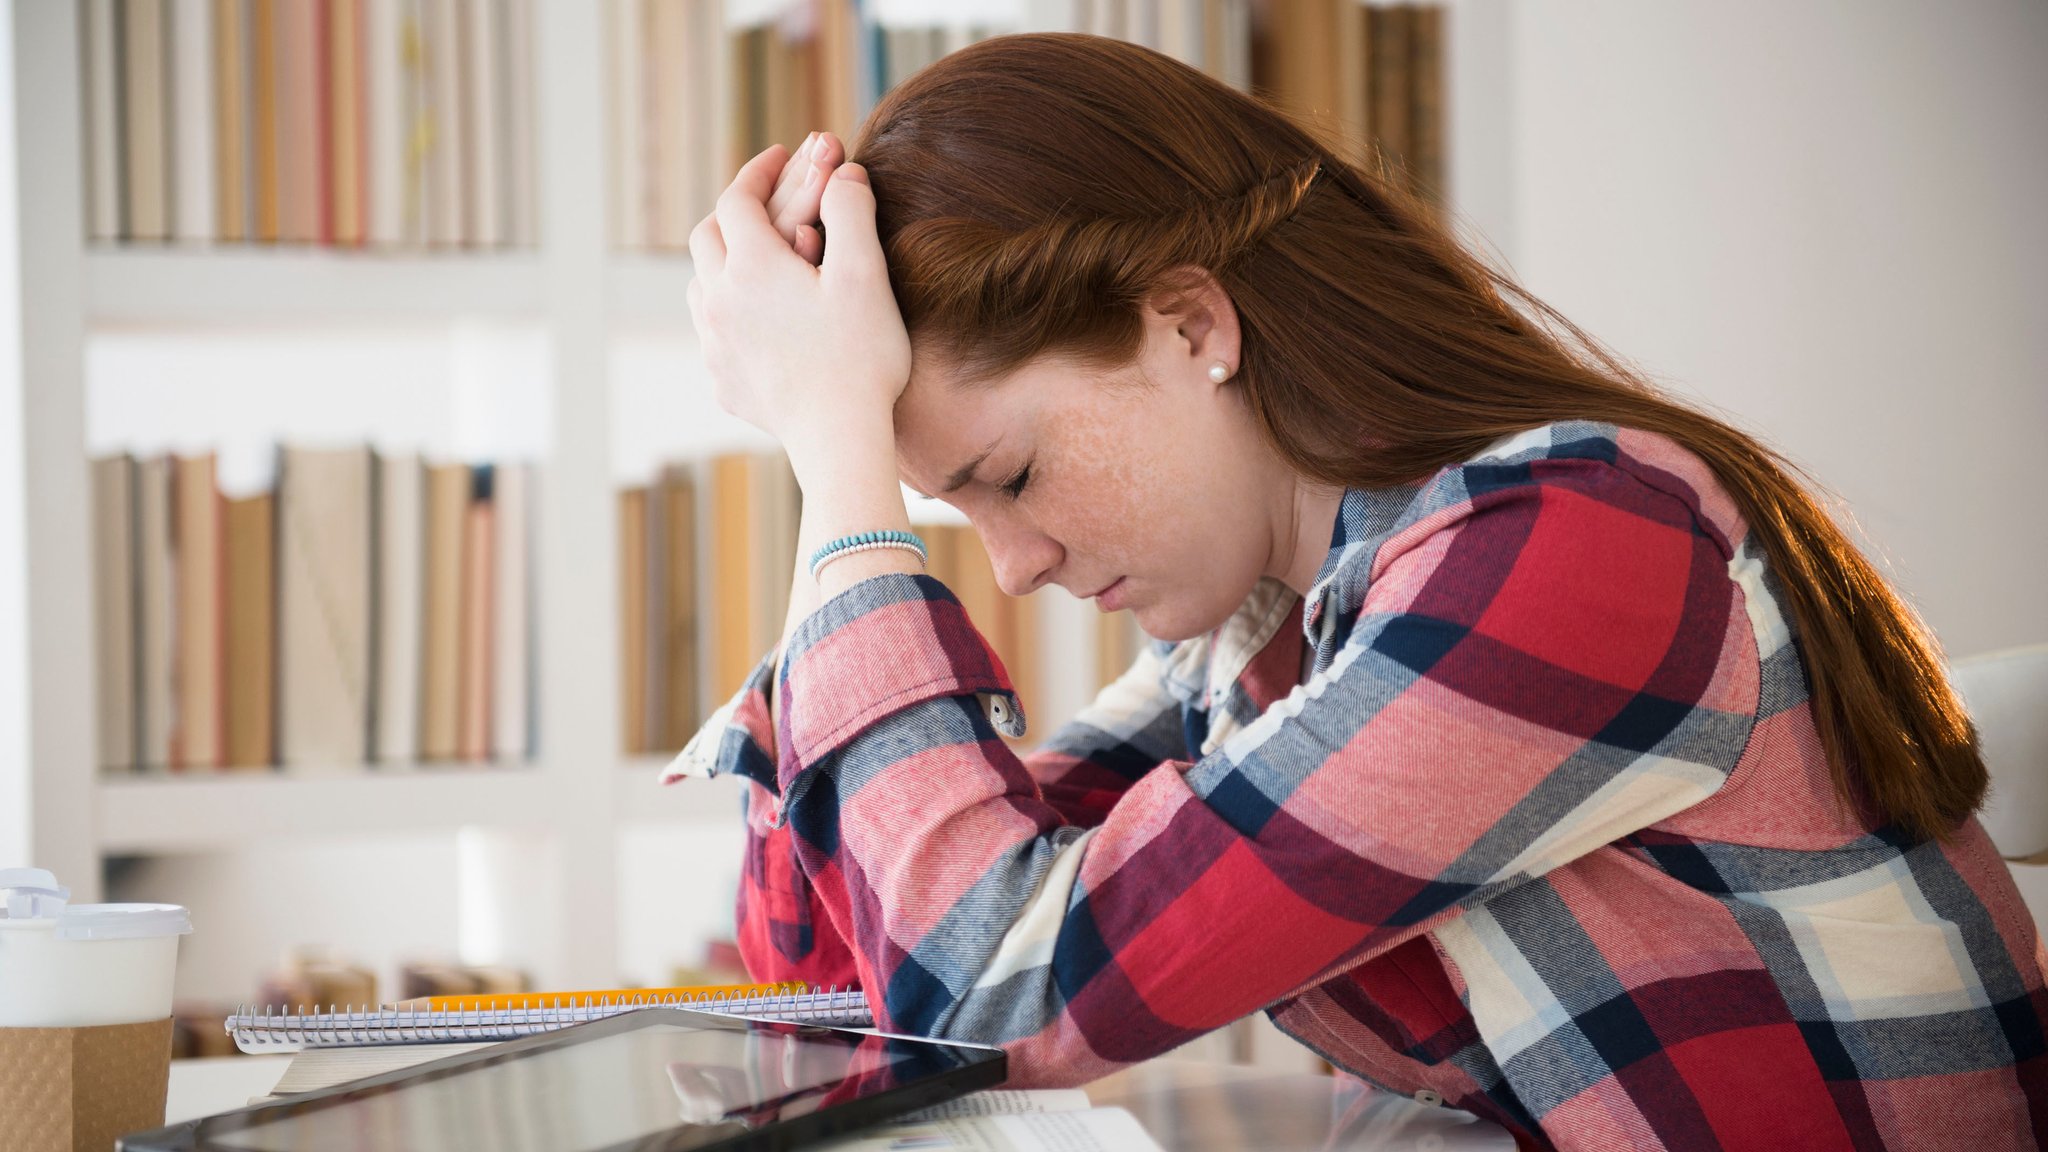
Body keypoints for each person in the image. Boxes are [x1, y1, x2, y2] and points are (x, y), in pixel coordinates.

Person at [670, 32, 2047, 1151]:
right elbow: (851, 983)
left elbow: (990, 983)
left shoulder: (1573, 551)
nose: (1013, 565)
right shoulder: (1262, 636)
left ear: (1193, 325)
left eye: (1013, 476)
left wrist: (838, 458)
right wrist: (828, 442)